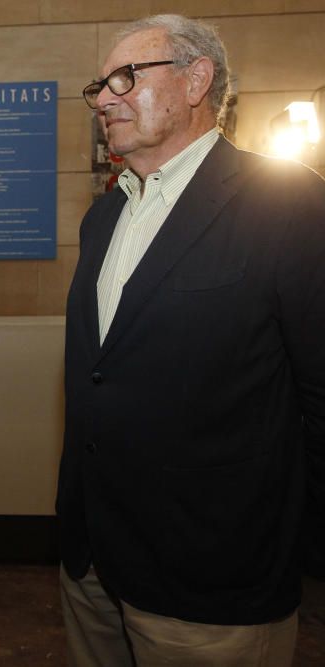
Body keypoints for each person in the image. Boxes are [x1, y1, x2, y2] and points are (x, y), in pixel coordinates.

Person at [57, 14, 325, 666]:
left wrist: (294, 550)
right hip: (92, 564)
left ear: (196, 79)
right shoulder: (105, 215)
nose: (104, 98)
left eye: (126, 77)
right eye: (100, 84)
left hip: (213, 579)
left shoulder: (288, 205)